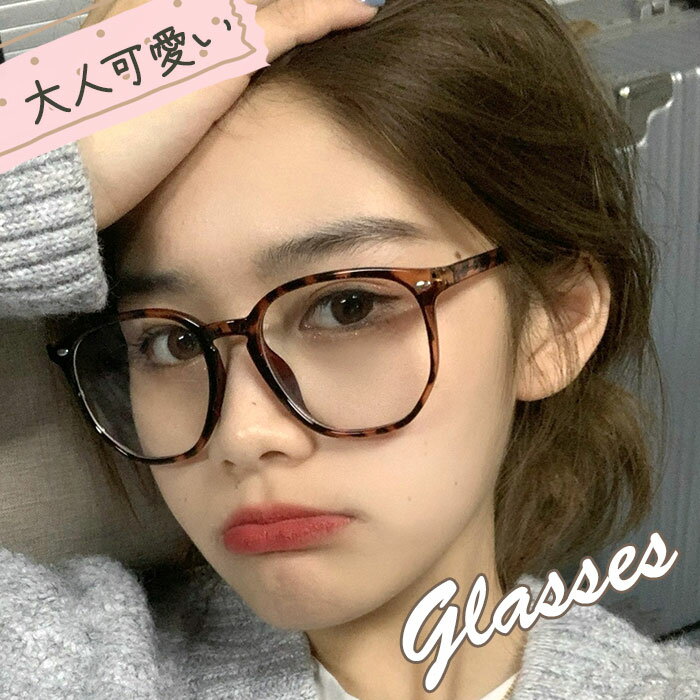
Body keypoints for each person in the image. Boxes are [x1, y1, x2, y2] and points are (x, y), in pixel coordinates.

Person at [1, 0, 699, 698]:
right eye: (172, 342)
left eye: (347, 307)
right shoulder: (69, 665)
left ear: (555, 323)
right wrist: (53, 137)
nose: (243, 435)